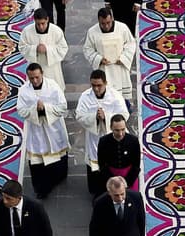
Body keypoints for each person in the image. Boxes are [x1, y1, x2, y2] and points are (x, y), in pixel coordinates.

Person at [17, 63, 70, 199]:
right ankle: (42, 189)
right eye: (31, 78)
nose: (34, 81)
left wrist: (45, 108)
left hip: (53, 129)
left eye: (37, 77)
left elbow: (63, 106)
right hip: (37, 131)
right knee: (38, 161)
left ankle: (58, 178)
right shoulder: (24, 90)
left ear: (42, 74)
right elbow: (21, 110)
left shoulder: (52, 86)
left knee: (57, 156)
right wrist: (36, 109)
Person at [75, 70, 130, 196]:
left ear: (105, 83)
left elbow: (124, 115)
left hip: (112, 137)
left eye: (99, 85)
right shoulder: (85, 96)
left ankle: (115, 191)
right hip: (94, 137)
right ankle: (97, 192)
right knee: (95, 165)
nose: (96, 88)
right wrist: (94, 117)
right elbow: (79, 116)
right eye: (93, 85)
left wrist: (106, 117)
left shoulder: (115, 96)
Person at [83, 8, 136, 100]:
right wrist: (99, 59)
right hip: (104, 69)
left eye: (108, 22)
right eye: (103, 23)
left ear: (112, 18)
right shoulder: (92, 31)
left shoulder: (122, 28)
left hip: (120, 68)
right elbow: (87, 49)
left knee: (122, 101)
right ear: (99, 20)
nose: (106, 26)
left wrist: (123, 58)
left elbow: (131, 44)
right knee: (106, 99)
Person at [20, 9, 67, 90]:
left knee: (53, 90)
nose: (41, 27)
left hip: (52, 68)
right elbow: (22, 47)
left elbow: (63, 48)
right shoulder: (27, 31)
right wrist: (35, 49)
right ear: (34, 20)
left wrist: (47, 50)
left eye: (43, 23)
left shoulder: (56, 31)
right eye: (38, 24)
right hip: (34, 68)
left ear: (47, 19)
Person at [96, 114, 141, 190]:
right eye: (117, 130)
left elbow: (136, 165)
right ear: (111, 128)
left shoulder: (133, 141)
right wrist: (112, 181)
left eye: (123, 129)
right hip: (110, 176)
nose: (120, 134)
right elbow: (102, 164)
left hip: (130, 177)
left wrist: (127, 182)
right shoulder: (103, 141)